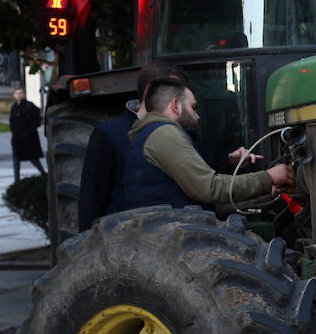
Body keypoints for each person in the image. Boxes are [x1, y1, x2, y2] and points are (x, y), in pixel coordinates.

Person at [124, 77, 292, 211]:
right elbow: (210, 188)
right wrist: (269, 177)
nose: (197, 116)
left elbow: (208, 204)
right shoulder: (164, 134)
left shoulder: (153, 134)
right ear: (175, 105)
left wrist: (266, 193)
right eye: (193, 107)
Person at [77, 62, 186, 232]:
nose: (180, 102)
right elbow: (92, 201)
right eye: (174, 94)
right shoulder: (109, 134)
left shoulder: (185, 131)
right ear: (149, 91)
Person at [9, 87, 45, 182]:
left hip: (28, 138)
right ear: (14, 95)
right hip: (17, 139)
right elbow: (12, 122)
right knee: (16, 160)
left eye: (20, 93)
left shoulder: (30, 106)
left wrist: (31, 130)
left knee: (33, 158)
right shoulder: (14, 108)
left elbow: (37, 118)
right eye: (17, 93)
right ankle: (16, 180)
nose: (19, 95)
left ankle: (44, 174)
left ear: (24, 94)